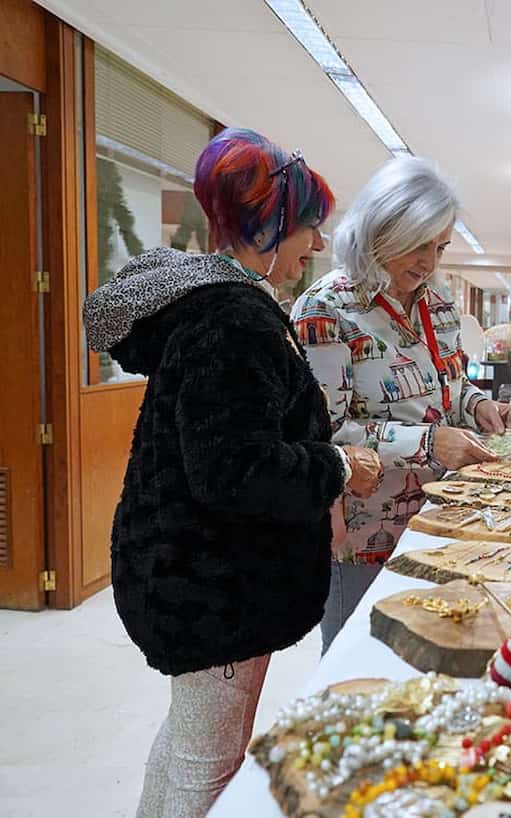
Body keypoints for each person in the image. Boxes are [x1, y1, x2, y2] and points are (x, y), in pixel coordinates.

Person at [82, 128, 383, 818]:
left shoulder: (214, 302)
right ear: (271, 223)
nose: (315, 245)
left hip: (192, 570)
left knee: (187, 744)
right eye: (309, 227)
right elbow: (235, 470)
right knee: (208, 764)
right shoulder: (234, 319)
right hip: (215, 583)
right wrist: (337, 464)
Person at [292, 156, 511, 652]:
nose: (429, 262)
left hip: (443, 520)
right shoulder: (325, 309)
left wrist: (479, 406)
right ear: (381, 227)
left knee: (431, 653)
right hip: (363, 529)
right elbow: (320, 436)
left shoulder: (436, 306)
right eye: (417, 244)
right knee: (360, 659)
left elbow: (450, 388)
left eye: (439, 247)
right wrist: (430, 442)